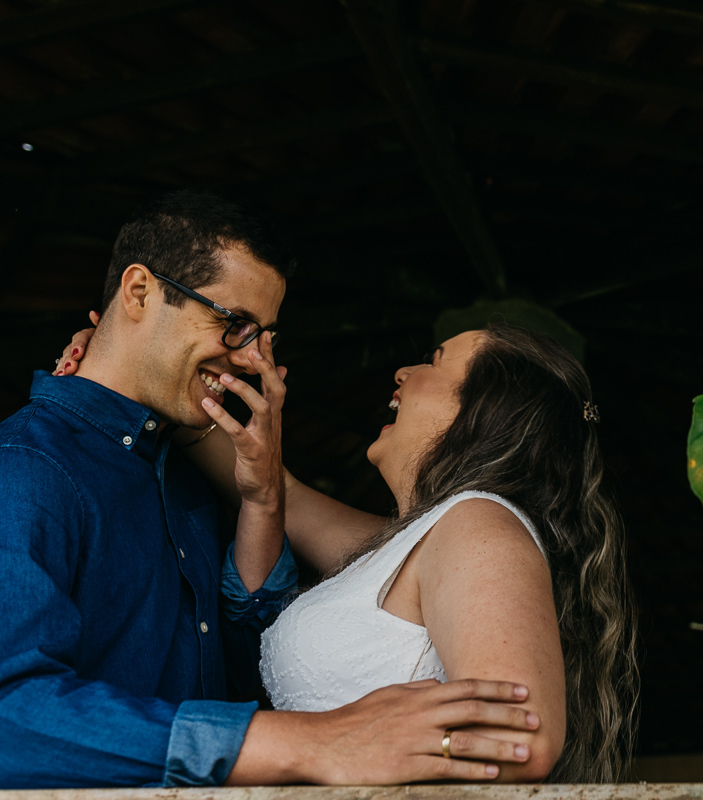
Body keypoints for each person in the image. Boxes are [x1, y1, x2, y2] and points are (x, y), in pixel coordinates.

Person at [0, 190, 542, 788]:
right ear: (139, 293)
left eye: (265, 336)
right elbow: (9, 716)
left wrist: (262, 500)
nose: (252, 358)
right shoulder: (29, 466)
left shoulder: (183, 472)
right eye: (233, 323)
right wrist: (314, 741)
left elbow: (248, 669)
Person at [61, 322, 641, 782]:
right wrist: (130, 367)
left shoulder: (479, 523)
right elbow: (273, 489)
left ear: (480, 410)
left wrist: (361, 745)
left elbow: (521, 739)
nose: (405, 371)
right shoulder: (413, 542)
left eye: (434, 361)